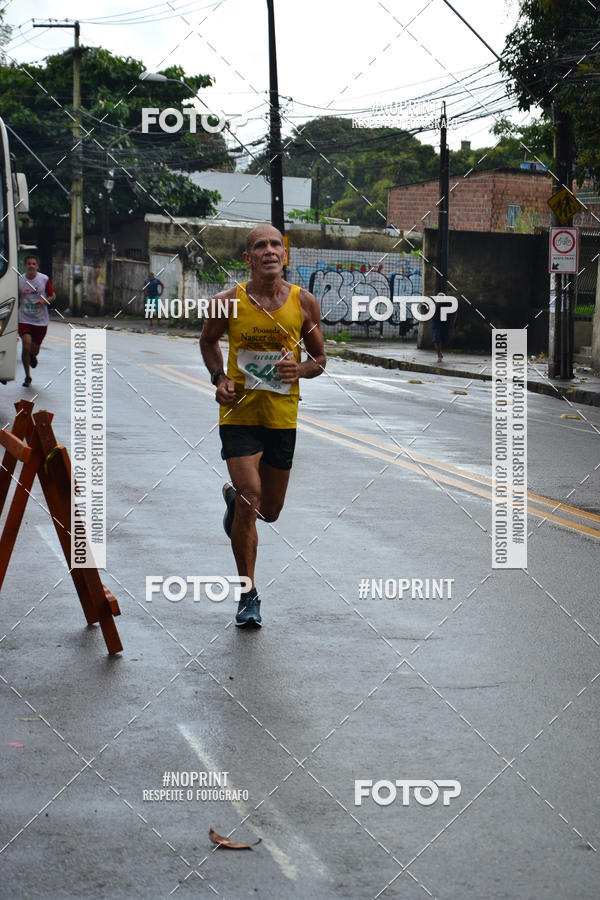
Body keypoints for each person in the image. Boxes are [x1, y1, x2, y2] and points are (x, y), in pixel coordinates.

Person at [200, 225, 326, 627]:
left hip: (281, 418)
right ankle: (247, 594)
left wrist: (301, 368)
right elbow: (208, 341)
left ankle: (235, 506)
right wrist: (219, 378)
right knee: (252, 496)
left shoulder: (304, 303)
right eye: (260, 246)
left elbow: (321, 359)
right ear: (248, 258)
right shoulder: (228, 302)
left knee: (268, 511)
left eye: (276, 245)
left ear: (284, 255)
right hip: (238, 416)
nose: (269, 251)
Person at [18, 254, 55, 387]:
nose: (31, 266)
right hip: (24, 318)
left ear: (37, 266)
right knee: (26, 345)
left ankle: (33, 356)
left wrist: (43, 301)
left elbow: (52, 295)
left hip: (40, 321)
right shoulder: (20, 280)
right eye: (29, 264)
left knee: (34, 350)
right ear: (25, 266)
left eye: (34, 264)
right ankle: (27, 376)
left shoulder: (44, 279)